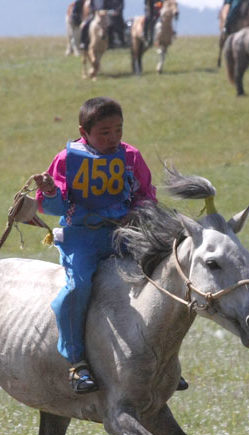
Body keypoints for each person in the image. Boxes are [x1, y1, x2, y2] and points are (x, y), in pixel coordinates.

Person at [33, 97, 157, 394]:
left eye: (118, 130)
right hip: (82, 238)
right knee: (78, 289)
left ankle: (158, 360)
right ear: (83, 132)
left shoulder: (130, 156)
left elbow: (145, 193)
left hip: (123, 236)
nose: (113, 138)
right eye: (104, 132)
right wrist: (50, 190)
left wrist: (137, 213)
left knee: (160, 279)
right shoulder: (67, 159)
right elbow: (54, 205)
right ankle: (76, 362)